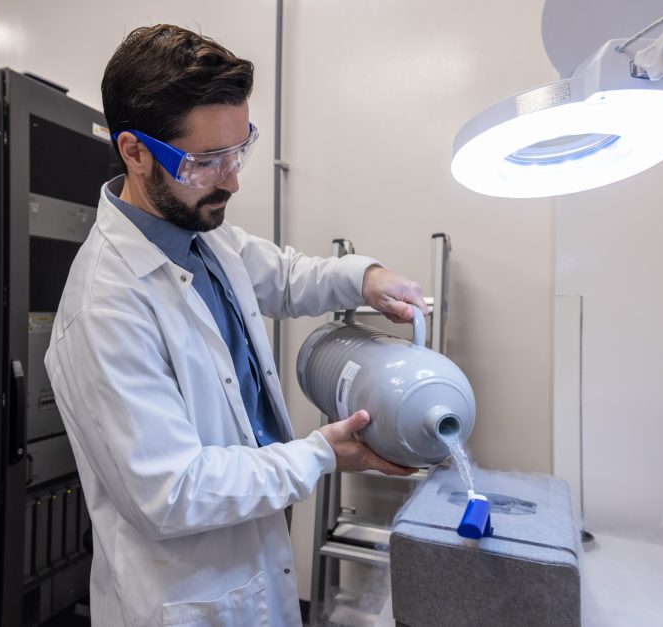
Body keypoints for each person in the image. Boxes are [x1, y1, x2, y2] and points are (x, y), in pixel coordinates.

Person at [45, 24, 428, 627]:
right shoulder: (105, 309)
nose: (232, 179)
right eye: (206, 160)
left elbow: (285, 274)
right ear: (135, 151)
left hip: (252, 568)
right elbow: (172, 492)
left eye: (238, 149)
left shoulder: (202, 236)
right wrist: (318, 456)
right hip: (188, 601)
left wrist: (367, 278)